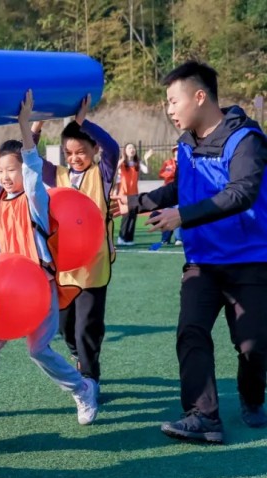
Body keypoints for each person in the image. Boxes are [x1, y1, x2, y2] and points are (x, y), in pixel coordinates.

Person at [113, 60, 267, 444]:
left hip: (250, 262)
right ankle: (204, 416)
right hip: (201, 263)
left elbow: (240, 193)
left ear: (200, 97)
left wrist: (182, 216)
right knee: (191, 332)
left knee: (253, 347)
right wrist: (137, 202)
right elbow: (182, 189)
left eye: (172, 101)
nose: (169, 110)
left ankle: (252, 396)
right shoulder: (185, 144)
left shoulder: (246, 140)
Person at [0, 90, 99, 425]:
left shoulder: (36, 201)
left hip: (40, 286)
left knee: (39, 350)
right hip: (7, 289)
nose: (7, 176)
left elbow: (33, 167)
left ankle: (82, 389)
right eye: (1, 171)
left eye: (13, 170)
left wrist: (26, 127)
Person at [40, 95, 120, 394]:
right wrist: (34, 127)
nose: (74, 157)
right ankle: (77, 357)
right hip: (64, 268)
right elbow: (30, 160)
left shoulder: (102, 174)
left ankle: (90, 378)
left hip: (94, 268)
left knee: (88, 326)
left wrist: (83, 121)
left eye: (81, 152)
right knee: (64, 326)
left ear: (93, 151)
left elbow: (112, 148)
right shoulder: (58, 175)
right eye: (68, 152)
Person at [115, 143, 152, 245]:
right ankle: (122, 238)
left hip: (134, 193)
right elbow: (114, 168)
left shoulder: (137, 163)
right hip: (124, 193)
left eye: (133, 148)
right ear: (125, 151)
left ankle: (129, 239)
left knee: (133, 216)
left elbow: (147, 171)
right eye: (129, 148)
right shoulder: (122, 163)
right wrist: (122, 159)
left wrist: (146, 159)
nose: (132, 149)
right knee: (126, 215)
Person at [148, 146, 183, 249]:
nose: (177, 152)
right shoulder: (168, 163)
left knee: (177, 214)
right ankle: (165, 239)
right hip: (168, 193)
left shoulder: (185, 162)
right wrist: (174, 173)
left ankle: (178, 239)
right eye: (176, 151)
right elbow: (163, 174)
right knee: (166, 215)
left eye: (179, 150)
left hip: (180, 193)